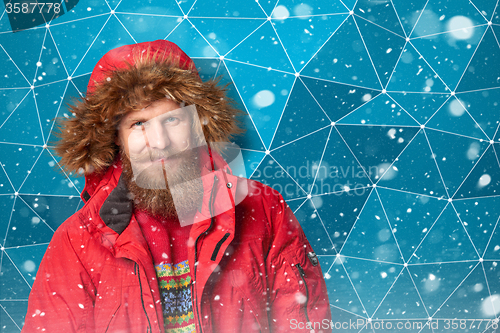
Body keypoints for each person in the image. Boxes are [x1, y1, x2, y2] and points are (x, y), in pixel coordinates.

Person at [22, 40, 331, 333]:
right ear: (116, 137)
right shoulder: (78, 241)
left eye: (171, 120)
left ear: (197, 123)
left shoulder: (264, 210)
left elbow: (303, 320)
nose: (159, 143)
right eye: (138, 124)